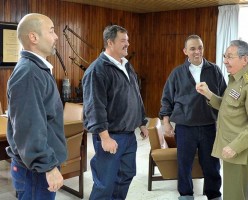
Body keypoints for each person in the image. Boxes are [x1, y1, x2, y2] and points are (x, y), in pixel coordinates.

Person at [82, 25, 148, 200]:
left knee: (125, 176)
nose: (128, 44)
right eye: (123, 40)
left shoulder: (127, 66)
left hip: (128, 136)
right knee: (105, 183)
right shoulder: (97, 70)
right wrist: (104, 137)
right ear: (110, 42)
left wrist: (141, 122)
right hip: (111, 136)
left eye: (127, 40)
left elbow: (136, 95)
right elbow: (94, 107)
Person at [196, 40, 248, 200]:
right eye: (224, 56)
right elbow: (229, 107)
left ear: (244, 59)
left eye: (230, 57)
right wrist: (208, 94)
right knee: (236, 194)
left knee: (233, 196)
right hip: (232, 148)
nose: (225, 61)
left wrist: (235, 146)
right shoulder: (236, 79)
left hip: (241, 150)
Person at [6, 13, 67, 200]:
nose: (56, 36)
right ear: (33, 37)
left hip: (37, 168)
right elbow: (29, 127)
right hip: (35, 171)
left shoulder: (36, 70)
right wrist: (47, 165)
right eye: (51, 31)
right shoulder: (29, 73)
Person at [159, 35, 226, 200]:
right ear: (185, 51)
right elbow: (166, 99)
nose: (197, 51)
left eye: (200, 47)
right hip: (184, 127)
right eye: (193, 48)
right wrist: (166, 122)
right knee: (184, 164)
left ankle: (214, 195)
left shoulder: (215, 70)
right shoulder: (177, 73)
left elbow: (224, 97)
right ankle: (186, 195)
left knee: (212, 164)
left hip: (209, 125)